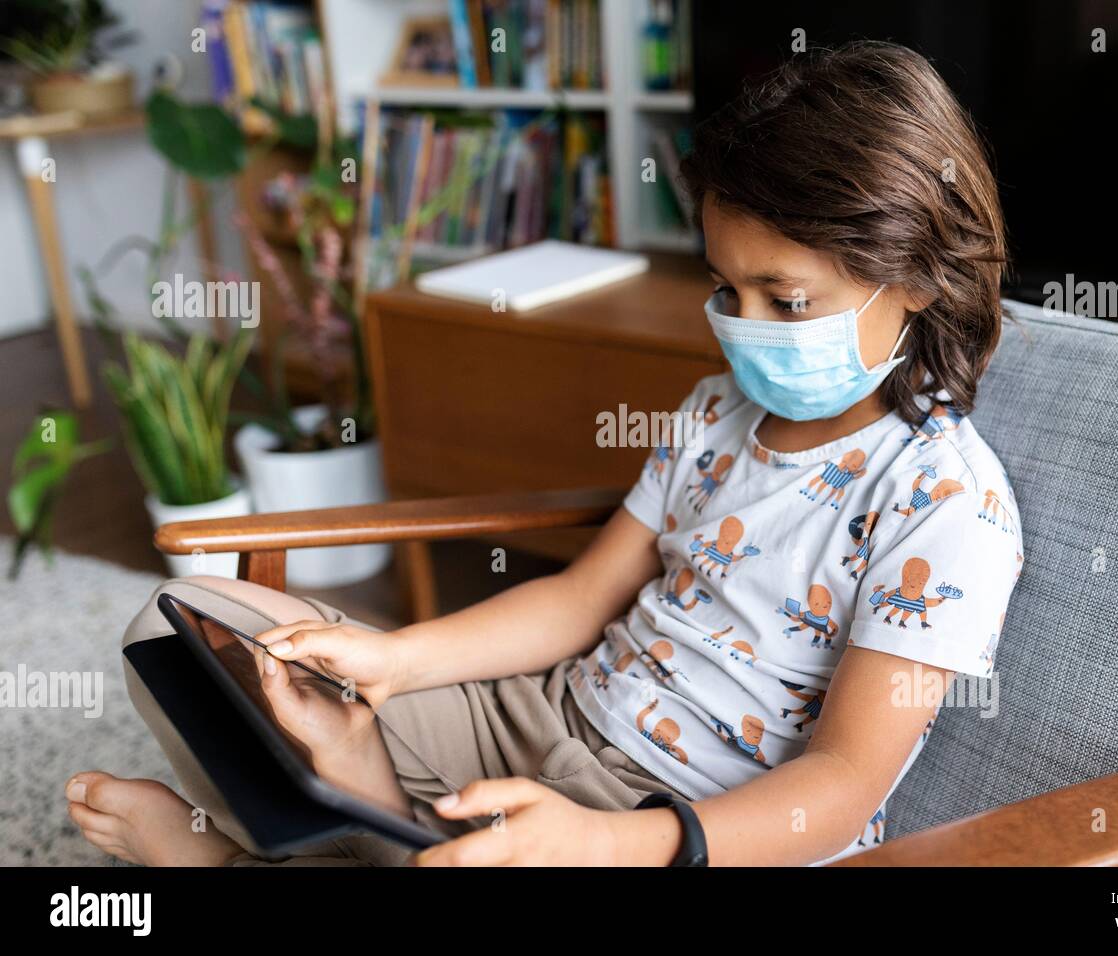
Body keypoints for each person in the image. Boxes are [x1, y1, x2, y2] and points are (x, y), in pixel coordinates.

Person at [66, 40, 1023, 867]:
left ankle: (311, 835)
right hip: (548, 718)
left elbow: (845, 783)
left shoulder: (944, 500)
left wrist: (610, 843)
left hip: (677, 827)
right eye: (727, 290)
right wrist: (391, 662)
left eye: (787, 299)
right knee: (183, 624)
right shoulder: (715, 412)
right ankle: (379, 811)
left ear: (917, 274)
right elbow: (577, 600)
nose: (747, 327)